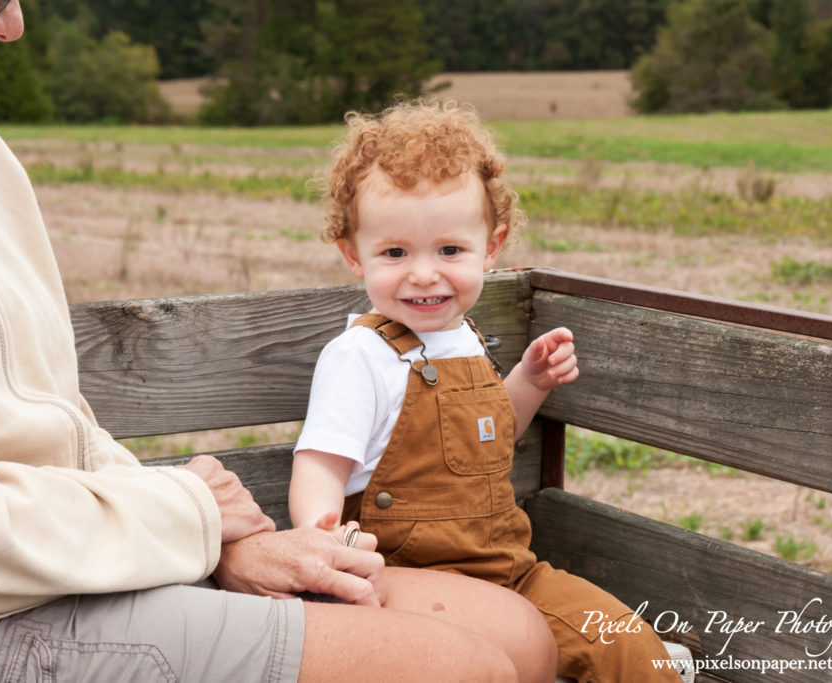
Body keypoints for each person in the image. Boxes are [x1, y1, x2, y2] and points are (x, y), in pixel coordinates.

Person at [0, 2, 560, 682]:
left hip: (76, 558)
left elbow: (61, 424)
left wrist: (219, 544)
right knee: (455, 668)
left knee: (520, 636)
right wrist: (192, 517)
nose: (14, 25)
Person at [288, 99, 681, 681]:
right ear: (354, 255)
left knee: (631, 651)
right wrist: (327, 543)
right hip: (406, 582)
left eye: (450, 250)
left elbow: (489, 439)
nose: (424, 273)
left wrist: (528, 381)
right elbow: (321, 465)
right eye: (395, 253)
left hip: (509, 572)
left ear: (491, 248)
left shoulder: (466, 339)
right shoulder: (360, 356)